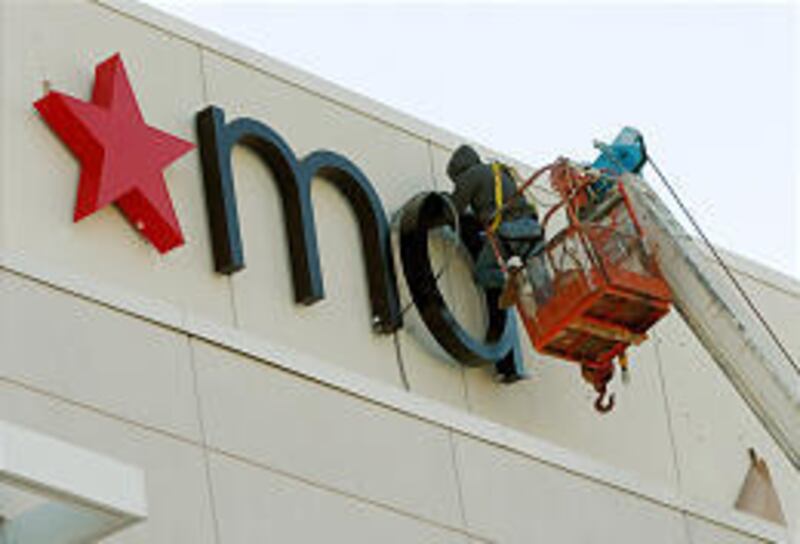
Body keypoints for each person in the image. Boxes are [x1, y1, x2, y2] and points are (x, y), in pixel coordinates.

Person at [446, 144, 546, 308]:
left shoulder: (470, 174)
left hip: (508, 233)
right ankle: (545, 298)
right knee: (542, 286)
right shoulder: (501, 172)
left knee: (482, 273)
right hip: (533, 230)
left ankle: (513, 280)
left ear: (459, 170)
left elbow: (453, 209)